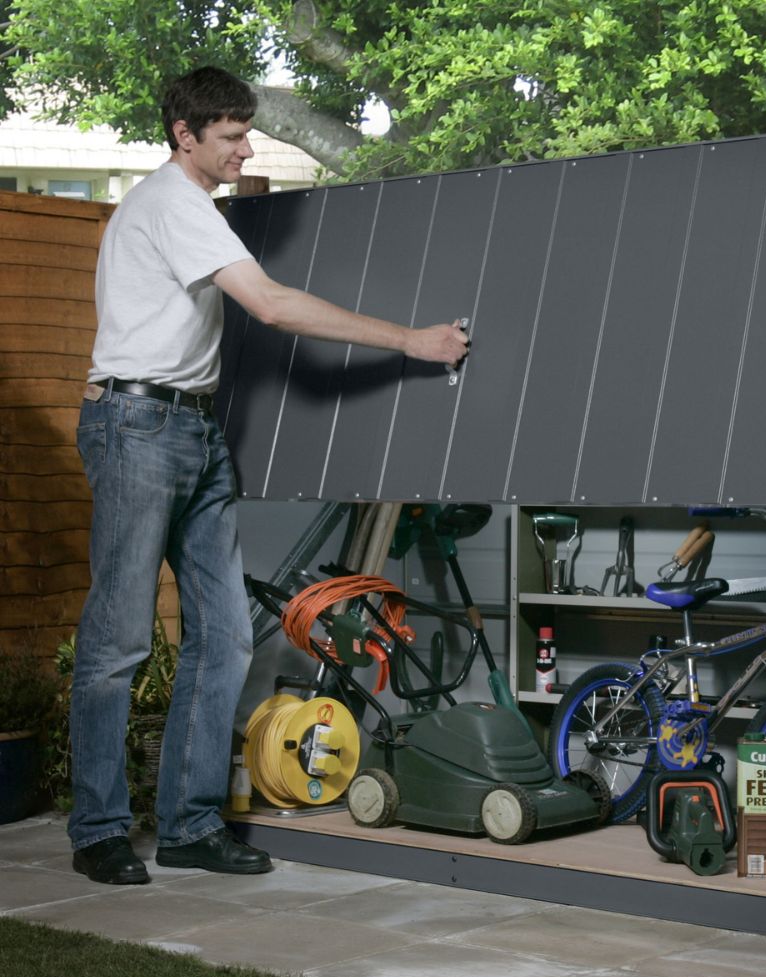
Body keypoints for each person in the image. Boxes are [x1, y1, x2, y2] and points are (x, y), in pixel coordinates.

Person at [69, 66, 469, 885]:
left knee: (224, 637)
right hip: (139, 428)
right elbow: (275, 306)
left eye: (246, 132)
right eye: (229, 136)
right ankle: (98, 830)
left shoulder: (193, 209)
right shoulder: (173, 204)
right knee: (118, 641)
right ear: (185, 136)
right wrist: (412, 341)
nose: (245, 148)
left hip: (191, 428)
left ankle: (187, 825)